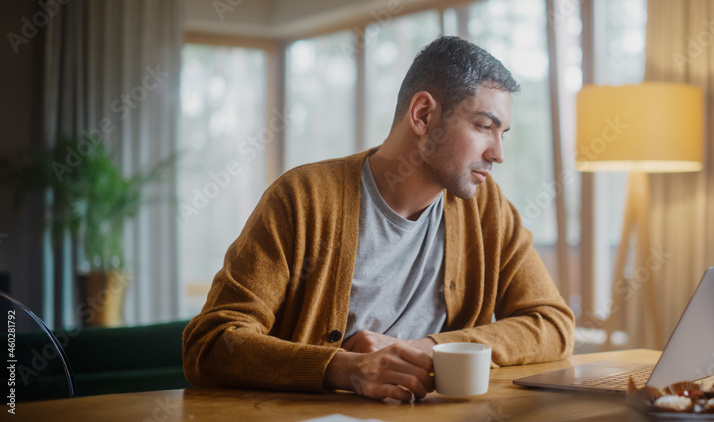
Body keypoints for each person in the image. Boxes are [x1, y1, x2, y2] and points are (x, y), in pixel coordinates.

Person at [182, 36, 575, 402]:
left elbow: (552, 323)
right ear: (422, 115)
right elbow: (212, 343)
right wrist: (344, 369)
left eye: (502, 132)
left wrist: (431, 347)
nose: (498, 153)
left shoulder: (487, 208)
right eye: (484, 126)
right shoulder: (303, 199)